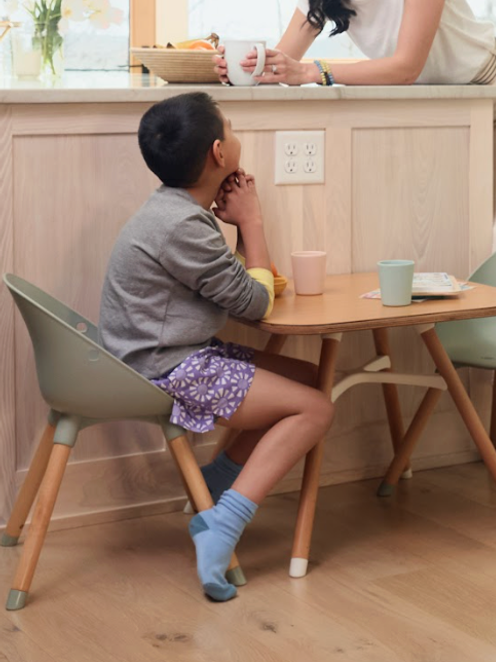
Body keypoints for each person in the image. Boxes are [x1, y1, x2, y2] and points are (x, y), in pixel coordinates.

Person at [222, 0, 496, 468]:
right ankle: (481, 412)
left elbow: (404, 66)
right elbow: (284, 59)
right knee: (459, 254)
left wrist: (313, 71)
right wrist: (247, 66)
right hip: (447, 117)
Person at [100, 92, 334, 602]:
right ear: (218, 154)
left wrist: (241, 237)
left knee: (308, 382)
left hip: (170, 354)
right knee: (316, 409)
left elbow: (243, 287)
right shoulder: (183, 226)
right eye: (229, 126)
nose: (235, 132)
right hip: (166, 368)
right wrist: (251, 221)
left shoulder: (177, 212)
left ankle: (216, 482)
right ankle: (223, 523)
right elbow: (255, 303)